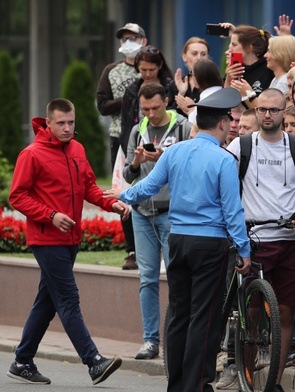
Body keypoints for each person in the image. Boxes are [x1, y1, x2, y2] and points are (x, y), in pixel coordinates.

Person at [105, 87, 251, 392]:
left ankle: (178, 383)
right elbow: (232, 209)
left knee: (179, 313)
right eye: (229, 123)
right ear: (223, 124)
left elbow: (147, 186)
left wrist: (122, 195)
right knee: (205, 317)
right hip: (209, 244)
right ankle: (197, 385)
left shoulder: (174, 152)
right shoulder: (223, 160)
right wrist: (243, 248)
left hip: (179, 241)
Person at [7, 98, 129, 386]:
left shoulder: (77, 149)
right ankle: (94, 361)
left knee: (47, 302)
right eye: (60, 123)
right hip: (47, 238)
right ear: (47, 123)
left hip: (71, 237)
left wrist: (112, 204)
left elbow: (87, 187)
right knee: (68, 300)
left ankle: (22, 360)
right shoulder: (32, 154)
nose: (66, 128)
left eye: (70, 122)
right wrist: (50, 215)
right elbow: (17, 196)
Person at [227, 88, 295, 392]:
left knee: (286, 311)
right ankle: (246, 376)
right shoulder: (241, 147)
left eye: (274, 110)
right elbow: (226, 187)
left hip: (291, 240)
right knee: (252, 313)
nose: (267, 115)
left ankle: (274, 383)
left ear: (285, 111)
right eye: (262, 109)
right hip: (254, 239)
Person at [122, 82, 192, 360]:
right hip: (142, 214)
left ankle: (178, 339)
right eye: (145, 109)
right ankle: (150, 340)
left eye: (155, 107)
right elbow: (128, 176)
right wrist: (138, 163)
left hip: (172, 213)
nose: (150, 113)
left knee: (177, 278)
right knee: (147, 279)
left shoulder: (183, 127)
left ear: (166, 102)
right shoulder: (137, 130)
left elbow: (191, 167)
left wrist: (166, 158)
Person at [96, 22, 146, 270]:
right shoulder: (111, 71)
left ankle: (152, 245)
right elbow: (103, 105)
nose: (128, 42)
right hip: (120, 138)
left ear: (143, 41)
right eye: (124, 38)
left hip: (150, 136)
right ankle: (132, 250)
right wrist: (129, 98)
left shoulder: (149, 69)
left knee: (151, 187)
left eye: (133, 38)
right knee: (124, 191)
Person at [120, 45, 178, 154]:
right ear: (137, 67)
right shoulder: (131, 91)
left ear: (160, 66)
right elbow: (125, 124)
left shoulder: (171, 87)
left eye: (152, 70)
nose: (147, 74)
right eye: (143, 70)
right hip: (138, 146)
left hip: (168, 144)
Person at [223, 24, 274, 108]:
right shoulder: (234, 69)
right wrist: (228, 80)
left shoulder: (267, 68)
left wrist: (248, 93)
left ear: (249, 47)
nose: (229, 50)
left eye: (234, 45)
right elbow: (224, 105)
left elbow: (267, 110)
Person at [173, 37, 210, 115]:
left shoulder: (215, 84)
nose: (199, 58)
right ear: (184, 56)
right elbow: (168, 115)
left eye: (203, 54)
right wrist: (181, 94)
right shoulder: (175, 84)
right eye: (194, 54)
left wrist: (193, 110)